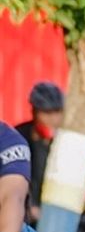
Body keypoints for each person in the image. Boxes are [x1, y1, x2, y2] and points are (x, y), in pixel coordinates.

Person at [14, 82, 64, 222]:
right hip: (26, 213)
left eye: (57, 112)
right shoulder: (19, 137)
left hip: (60, 211)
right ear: (35, 112)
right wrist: (30, 207)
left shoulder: (67, 138)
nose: (53, 119)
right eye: (47, 113)